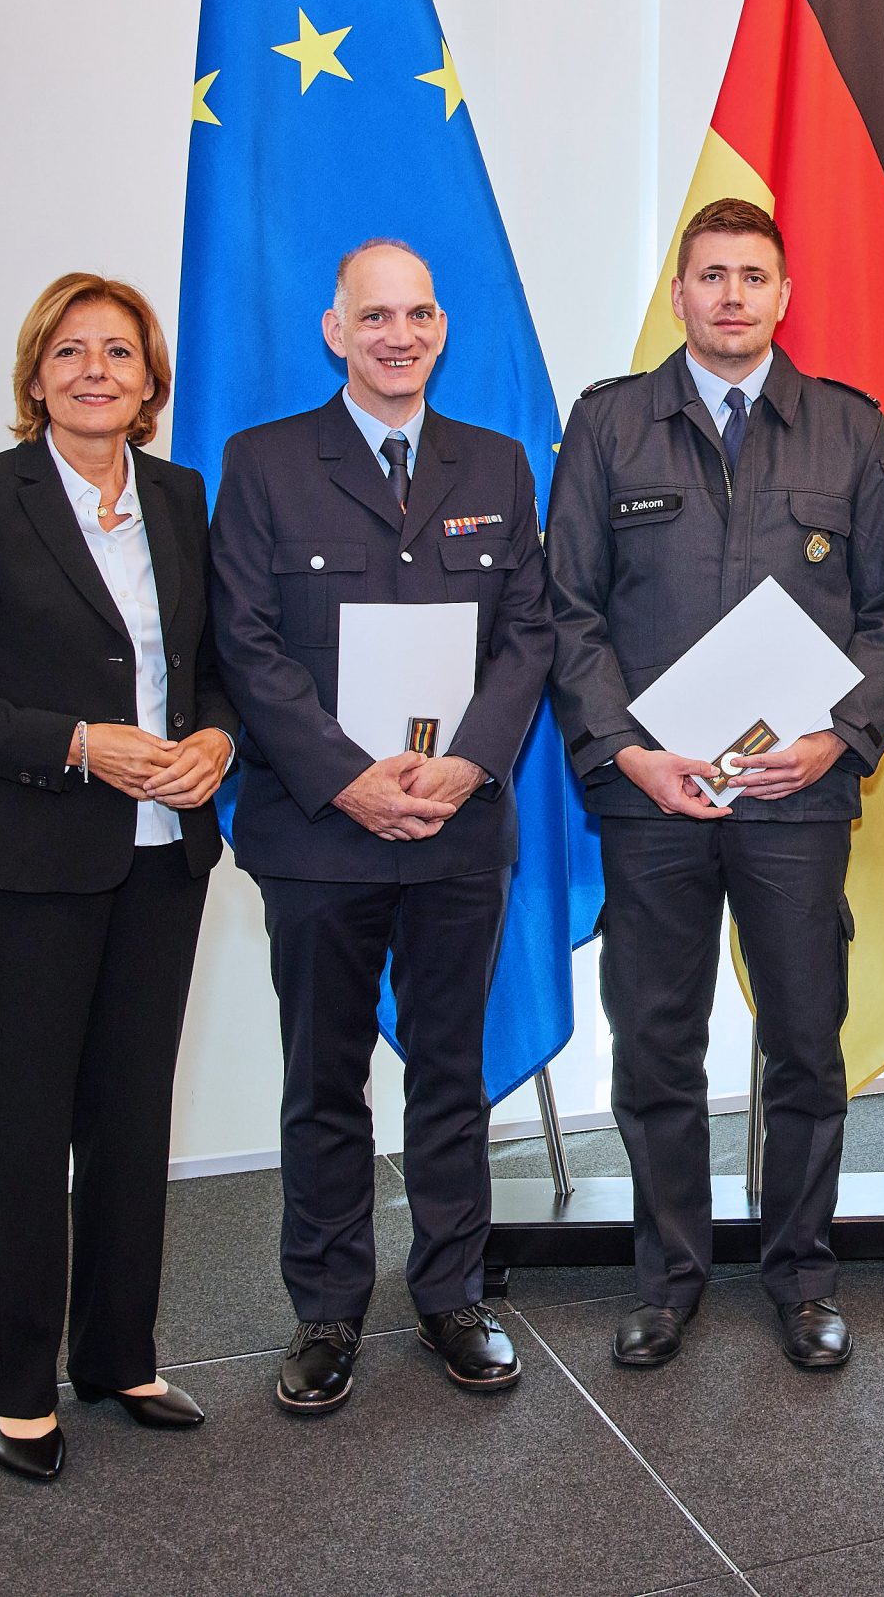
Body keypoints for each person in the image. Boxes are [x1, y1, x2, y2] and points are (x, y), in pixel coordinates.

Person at [544, 198, 884, 1373]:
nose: (731, 296)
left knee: (805, 1040)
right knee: (656, 1042)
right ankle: (668, 1278)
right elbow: (567, 611)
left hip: (795, 797)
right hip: (651, 798)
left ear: (783, 294)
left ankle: (802, 1276)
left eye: (752, 276)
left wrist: (837, 736)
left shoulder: (848, 428)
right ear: (679, 295)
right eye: (710, 275)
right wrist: (625, 750)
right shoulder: (608, 424)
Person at [0, 273, 236, 1480]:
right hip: (34, 861)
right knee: (32, 1126)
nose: (97, 371)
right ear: (36, 376)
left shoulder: (180, 497)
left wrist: (216, 738)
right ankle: (21, 1383)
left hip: (163, 857)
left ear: (150, 384)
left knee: (133, 1118)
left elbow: (212, 665)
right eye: (72, 351)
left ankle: (119, 1355)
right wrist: (80, 744)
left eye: (120, 353)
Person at [210, 239, 554, 1416]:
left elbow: (529, 633)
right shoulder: (263, 464)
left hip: (457, 827)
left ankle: (453, 1289)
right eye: (374, 316)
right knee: (325, 1078)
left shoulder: (497, 464)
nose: (397, 336)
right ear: (335, 330)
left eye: (416, 315)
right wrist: (349, 779)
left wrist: (467, 764)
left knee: (451, 1074)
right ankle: (325, 1308)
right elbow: (245, 643)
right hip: (321, 834)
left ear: (441, 328)